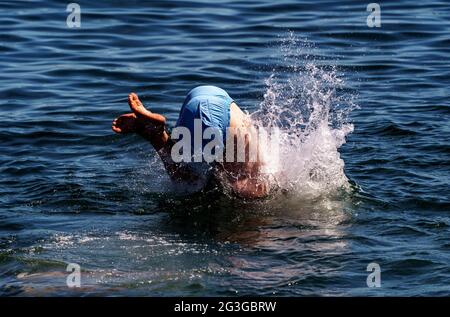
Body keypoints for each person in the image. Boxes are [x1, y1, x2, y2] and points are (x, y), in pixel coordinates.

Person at [112, 85, 269, 198]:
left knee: (185, 178)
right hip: (223, 109)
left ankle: (156, 135)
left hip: (194, 105)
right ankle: (155, 134)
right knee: (250, 189)